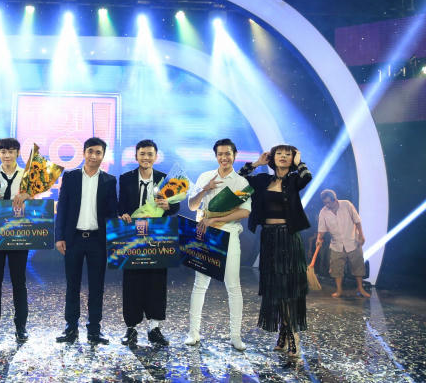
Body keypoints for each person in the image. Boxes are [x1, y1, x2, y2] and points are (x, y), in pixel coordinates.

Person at [238, 145, 312, 357]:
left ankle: (292, 333)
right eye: (279, 153)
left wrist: (299, 162)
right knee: (275, 289)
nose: (283, 157)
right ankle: (283, 331)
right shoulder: (263, 180)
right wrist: (256, 163)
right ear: (272, 158)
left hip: (288, 238)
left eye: (288, 154)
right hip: (269, 238)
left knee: (288, 289)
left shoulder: (294, 180)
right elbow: (239, 179)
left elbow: (306, 177)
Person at [184, 138, 251, 351]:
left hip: (229, 235)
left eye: (227, 153)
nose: (224, 157)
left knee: (233, 286)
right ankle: (193, 332)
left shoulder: (241, 182)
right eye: (220, 154)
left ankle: (235, 336)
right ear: (216, 156)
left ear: (234, 155)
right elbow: (192, 205)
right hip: (205, 237)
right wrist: (205, 189)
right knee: (200, 285)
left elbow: (245, 212)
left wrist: (215, 220)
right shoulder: (205, 176)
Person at [55, 137, 118, 345]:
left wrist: (117, 230)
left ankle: (94, 330)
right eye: (90, 151)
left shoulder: (109, 180)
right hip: (73, 239)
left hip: (98, 241)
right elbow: (62, 208)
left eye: (98, 152)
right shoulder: (70, 177)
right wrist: (59, 237)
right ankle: (71, 328)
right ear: (84, 153)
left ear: (103, 156)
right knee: (72, 285)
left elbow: (112, 212)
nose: (93, 156)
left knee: (97, 287)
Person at [118, 139, 179, 347]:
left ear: (156, 156)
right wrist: (123, 214)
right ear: (136, 156)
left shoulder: (165, 179)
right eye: (142, 154)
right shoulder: (126, 178)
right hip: (132, 237)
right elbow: (121, 206)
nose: (146, 157)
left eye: (150, 154)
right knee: (131, 281)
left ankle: (154, 328)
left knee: (157, 281)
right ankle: (131, 328)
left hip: (158, 237)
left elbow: (176, 206)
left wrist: (168, 206)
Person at [0, 138, 31, 342]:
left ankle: (21, 327)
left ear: (18, 153)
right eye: (3, 152)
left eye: (11, 151)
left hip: (19, 234)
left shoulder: (27, 176)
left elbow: (38, 205)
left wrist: (28, 196)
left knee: (19, 282)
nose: (7, 155)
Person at [316, 189, 370, 298]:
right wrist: (319, 239)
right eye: (325, 203)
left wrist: (361, 235)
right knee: (336, 269)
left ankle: (360, 288)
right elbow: (321, 229)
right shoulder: (323, 212)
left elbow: (357, 221)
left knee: (358, 266)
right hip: (336, 245)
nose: (327, 205)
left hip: (352, 241)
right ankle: (339, 290)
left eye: (328, 202)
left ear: (335, 200)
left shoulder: (346, 205)